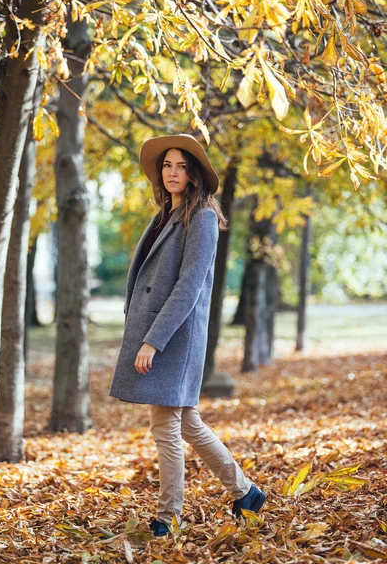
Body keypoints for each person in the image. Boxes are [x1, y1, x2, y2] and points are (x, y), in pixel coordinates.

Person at [109, 134, 267, 537]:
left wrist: (153, 340)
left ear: (194, 173)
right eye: (167, 166)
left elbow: (189, 286)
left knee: (166, 427)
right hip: (161, 334)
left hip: (175, 338)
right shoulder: (165, 214)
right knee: (188, 423)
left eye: (181, 166)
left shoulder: (203, 218)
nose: (173, 172)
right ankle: (245, 492)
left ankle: (168, 517)